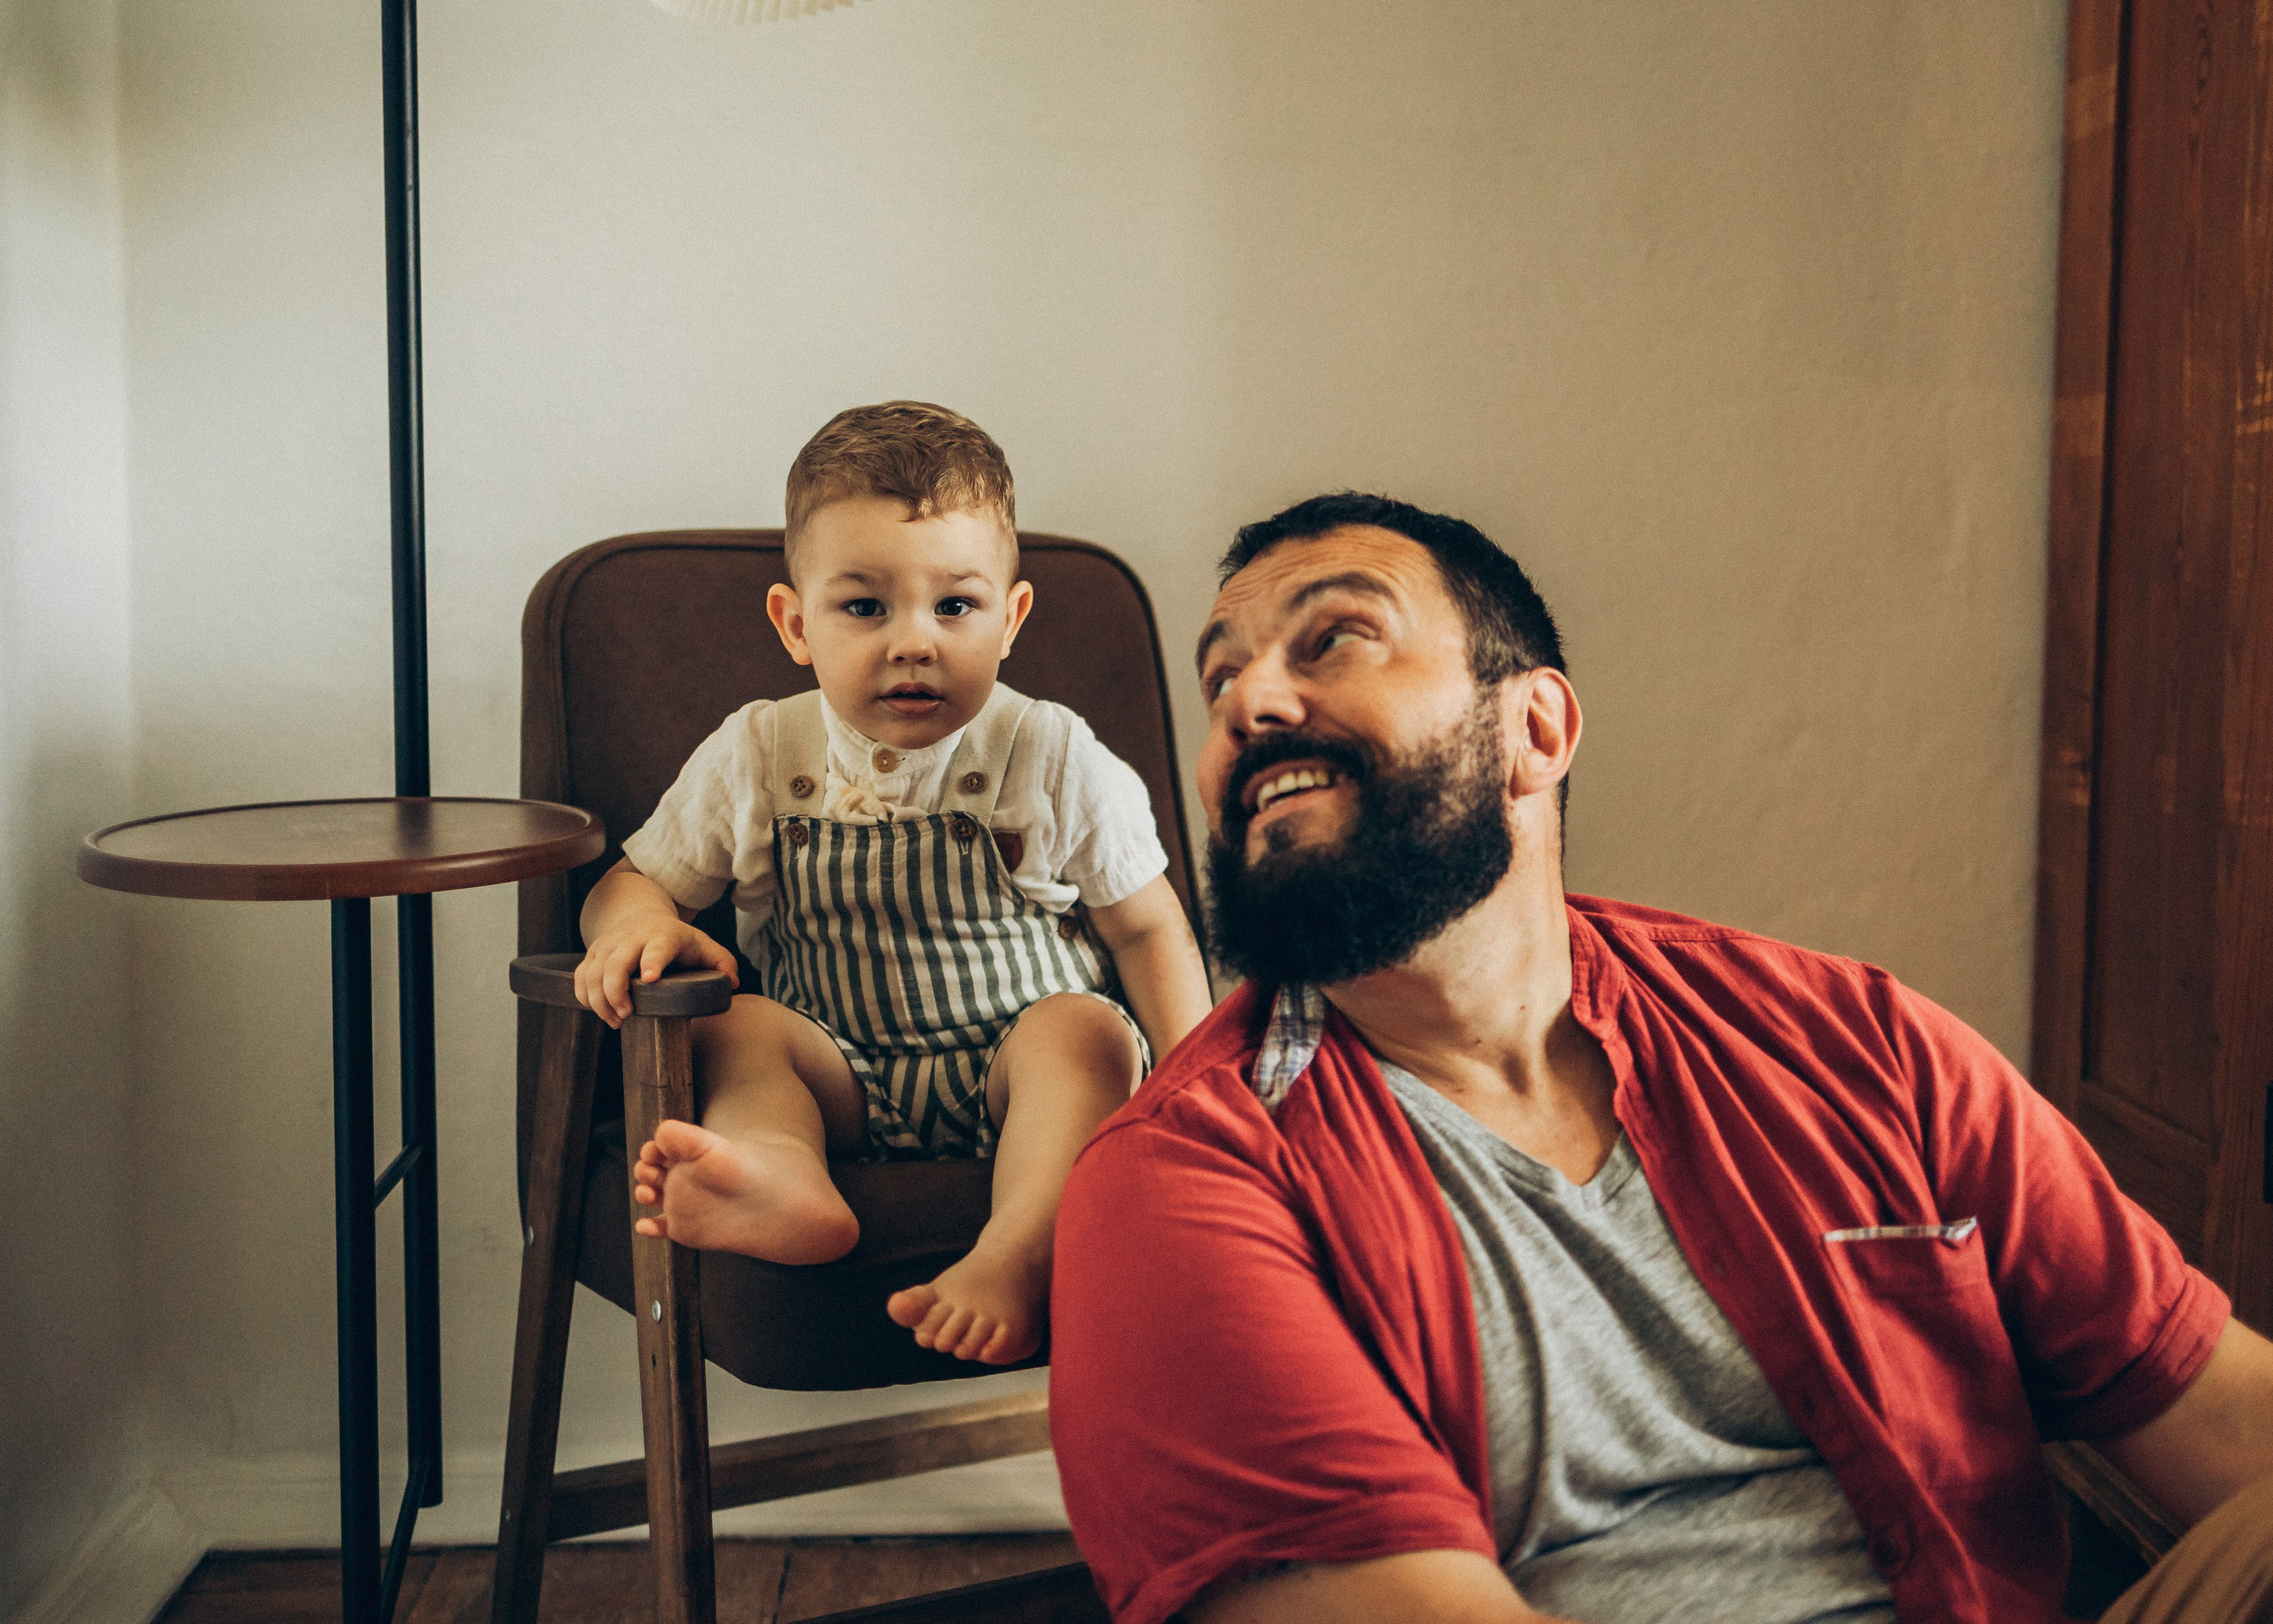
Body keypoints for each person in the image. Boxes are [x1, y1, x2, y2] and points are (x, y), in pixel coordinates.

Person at [1048, 493, 2273, 1624]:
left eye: (1333, 640)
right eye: (1220, 681)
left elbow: (2218, 1418)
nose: (1248, 704)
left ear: (1534, 727)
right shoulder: (1173, 1189)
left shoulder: (1854, 1040)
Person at [574, 400, 1213, 1367]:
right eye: (864, 606)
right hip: (838, 1072)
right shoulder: (759, 751)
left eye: (954, 605)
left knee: (1082, 1031)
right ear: (796, 622)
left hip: (1012, 1064)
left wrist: (1198, 1081)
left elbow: (1146, 928)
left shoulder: (1048, 751)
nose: (913, 641)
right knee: (736, 1024)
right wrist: (633, 929)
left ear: (1010, 617)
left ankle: (1016, 1248)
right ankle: (785, 1178)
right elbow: (634, 878)